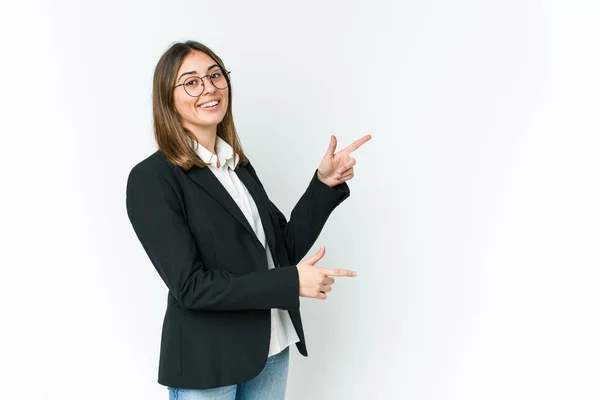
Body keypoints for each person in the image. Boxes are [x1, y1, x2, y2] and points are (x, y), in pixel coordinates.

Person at [125, 40, 371, 400]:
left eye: (215, 75)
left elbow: (280, 248)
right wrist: (289, 283)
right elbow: (192, 287)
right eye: (191, 82)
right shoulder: (153, 178)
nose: (209, 87)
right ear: (168, 99)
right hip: (209, 364)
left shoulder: (236, 165)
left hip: (271, 349)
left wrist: (322, 185)